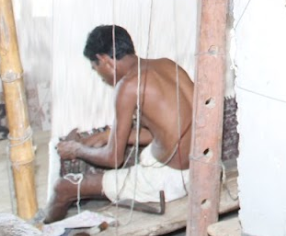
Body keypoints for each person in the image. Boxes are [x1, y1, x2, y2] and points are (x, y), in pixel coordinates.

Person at [45, 25, 194, 223]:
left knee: (63, 188)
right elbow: (167, 131)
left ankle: (44, 235)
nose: (101, 78)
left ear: (104, 60)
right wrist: (107, 135)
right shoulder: (167, 65)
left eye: (96, 69)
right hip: (200, 168)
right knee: (144, 155)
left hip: (171, 180)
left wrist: (77, 149)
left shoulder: (128, 86)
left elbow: (113, 159)